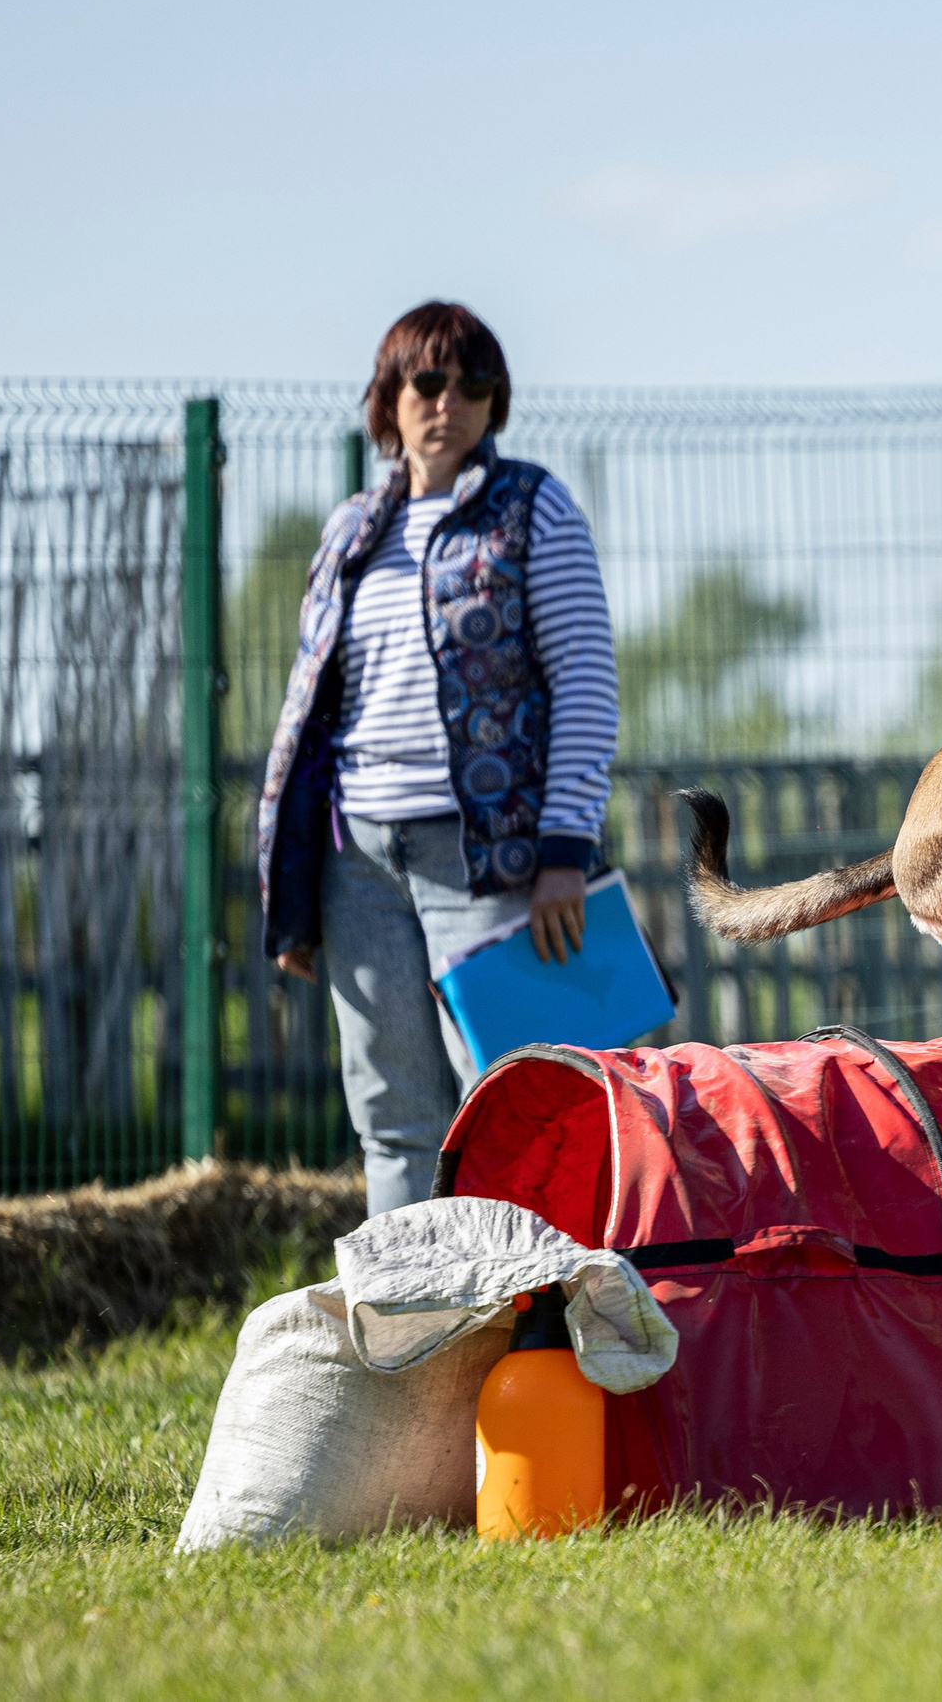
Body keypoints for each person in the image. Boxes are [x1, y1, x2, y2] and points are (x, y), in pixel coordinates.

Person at [257, 302, 619, 1215]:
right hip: (359, 862)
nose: (448, 401)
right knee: (392, 1113)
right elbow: (310, 713)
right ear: (390, 397)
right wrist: (298, 897)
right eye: (427, 381)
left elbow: (584, 678)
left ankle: (535, 1331)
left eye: (473, 384)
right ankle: (416, 1340)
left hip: (491, 857)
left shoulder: (535, 508)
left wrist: (564, 851)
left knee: (514, 1103)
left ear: (495, 402)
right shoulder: (350, 530)